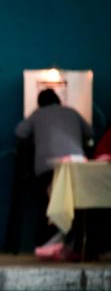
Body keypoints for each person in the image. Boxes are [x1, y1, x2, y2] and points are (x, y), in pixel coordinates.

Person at [15, 89, 92, 245]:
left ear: (40, 103)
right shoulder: (72, 112)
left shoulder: (38, 114)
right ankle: (75, 243)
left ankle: (46, 243)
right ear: (59, 100)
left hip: (47, 168)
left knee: (46, 205)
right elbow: (90, 133)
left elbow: (20, 132)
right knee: (79, 205)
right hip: (76, 166)